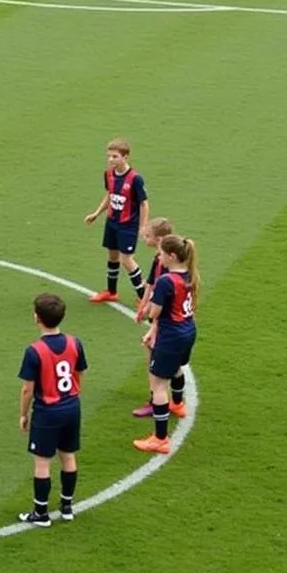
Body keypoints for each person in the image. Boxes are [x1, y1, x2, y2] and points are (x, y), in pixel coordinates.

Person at [17, 293, 88, 528]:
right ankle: (67, 507)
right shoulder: (74, 342)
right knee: (68, 456)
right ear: (63, 316)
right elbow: (80, 373)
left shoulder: (34, 350)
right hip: (71, 405)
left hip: (48, 411)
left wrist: (24, 415)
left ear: (36, 318)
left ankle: (41, 513)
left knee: (42, 462)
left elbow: (28, 389)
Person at [133, 235, 198, 455]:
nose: (158, 257)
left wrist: (150, 317)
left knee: (159, 384)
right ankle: (178, 404)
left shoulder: (165, 281)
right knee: (177, 367)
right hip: (188, 329)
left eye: (161, 254)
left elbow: (155, 312)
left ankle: (160, 438)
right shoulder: (190, 274)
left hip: (171, 335)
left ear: (171, 256)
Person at [84, 138, 149, 304]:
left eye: (114, 156)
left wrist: (143, 227)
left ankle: (143, 297)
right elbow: (110, 195)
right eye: (109, 156)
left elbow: (144, 203)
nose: (110, 159)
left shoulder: (135, 179)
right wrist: (97, 213)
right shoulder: (109, 174)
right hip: (112, 222)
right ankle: (111, 292)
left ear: (125, 157)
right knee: (112, 255)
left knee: (126, 259)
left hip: (128, 225)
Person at [131, 216, 175, 417]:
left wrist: (152, 326)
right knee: (172, 362)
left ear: (158, 239)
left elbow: (162, 300)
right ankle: (178, 401)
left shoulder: (167, 264)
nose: (144, 238)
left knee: (153, 352)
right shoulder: (160, 259)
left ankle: (156, 400)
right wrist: (142, 305)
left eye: (147, 236)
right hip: (164, 318)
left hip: (164, 319)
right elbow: (150, 283)